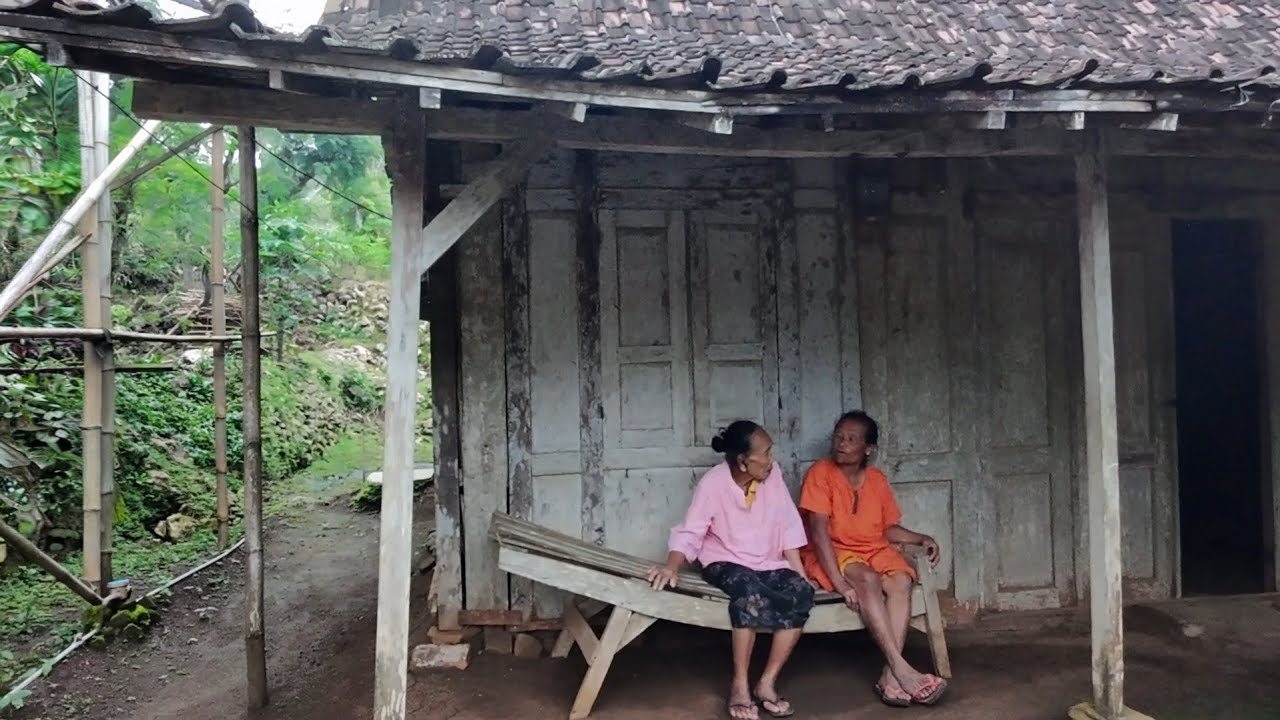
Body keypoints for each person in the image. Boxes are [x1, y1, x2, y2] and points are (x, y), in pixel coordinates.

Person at [648, 420, 814, 720]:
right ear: (742, 461)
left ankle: (766, 683)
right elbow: (691, 531)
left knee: (801, 592)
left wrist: (799, 571)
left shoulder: (772, 475)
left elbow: (788, 522)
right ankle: (740, 685)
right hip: (724, 560)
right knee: (748, 594)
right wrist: (671, 566)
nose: (771, 459)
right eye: (765, 453)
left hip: (766, 560)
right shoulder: (714, 483)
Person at [799, 410, 948, 707]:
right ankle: (900, 667)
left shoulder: (876, 480)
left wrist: (919, 537)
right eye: (838, 437)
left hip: (873, 549)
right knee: (867, 579)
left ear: (868, 449)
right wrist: (841, 584)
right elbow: (819, 532)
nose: (841, 443)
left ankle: (890, 678)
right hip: (832, 551)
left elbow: (885, 528)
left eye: (851, 439)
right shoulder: (820, 473)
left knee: (901, 580)